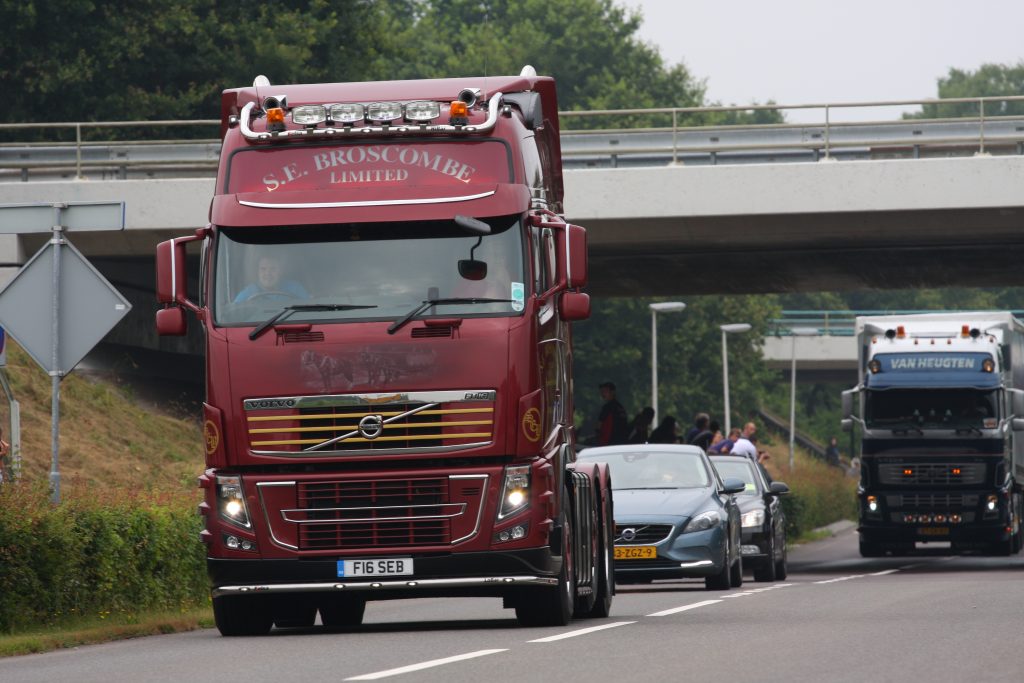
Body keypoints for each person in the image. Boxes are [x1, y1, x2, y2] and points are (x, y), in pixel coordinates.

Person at [234, 254, 310, 303]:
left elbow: (309, 309)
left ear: (280, 271)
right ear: (257, 272)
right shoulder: (249, 292)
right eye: (263, 269)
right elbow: (234, 312)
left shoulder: (295, 288)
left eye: (273, 269)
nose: (268, 273)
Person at [595, 382, 630, 446]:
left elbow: (599, 426)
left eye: (605, 391)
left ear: (613, 392)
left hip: (609, 444)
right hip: (622, 444)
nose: (603, 394)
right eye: (602, 392)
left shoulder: (608, 407)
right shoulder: (620, 407)